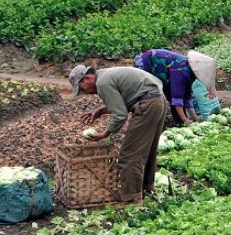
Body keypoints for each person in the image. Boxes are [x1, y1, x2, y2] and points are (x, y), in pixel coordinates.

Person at [70, 65, 168, 204]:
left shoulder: (102, 83)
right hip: (157, 99)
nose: (84, 92)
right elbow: (126, 98)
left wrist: (105, 133)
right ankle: (146, 188)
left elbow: (120, 115)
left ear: (86, 78)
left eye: (81, 88)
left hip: (148, 104)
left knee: (129, 154)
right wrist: (101, 110)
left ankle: (132, 198)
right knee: (147, 150)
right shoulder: (105, 75)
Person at [133, 49, 219, 125]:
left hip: (165, 70)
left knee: (178, 93)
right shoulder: (182, 71)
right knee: (154, 96)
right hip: (148, 64)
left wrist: (195, 117)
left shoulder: (191, 73)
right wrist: (185, 120)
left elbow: (187, 96)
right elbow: (177, 97)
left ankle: (179, 120)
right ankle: (148, 121)